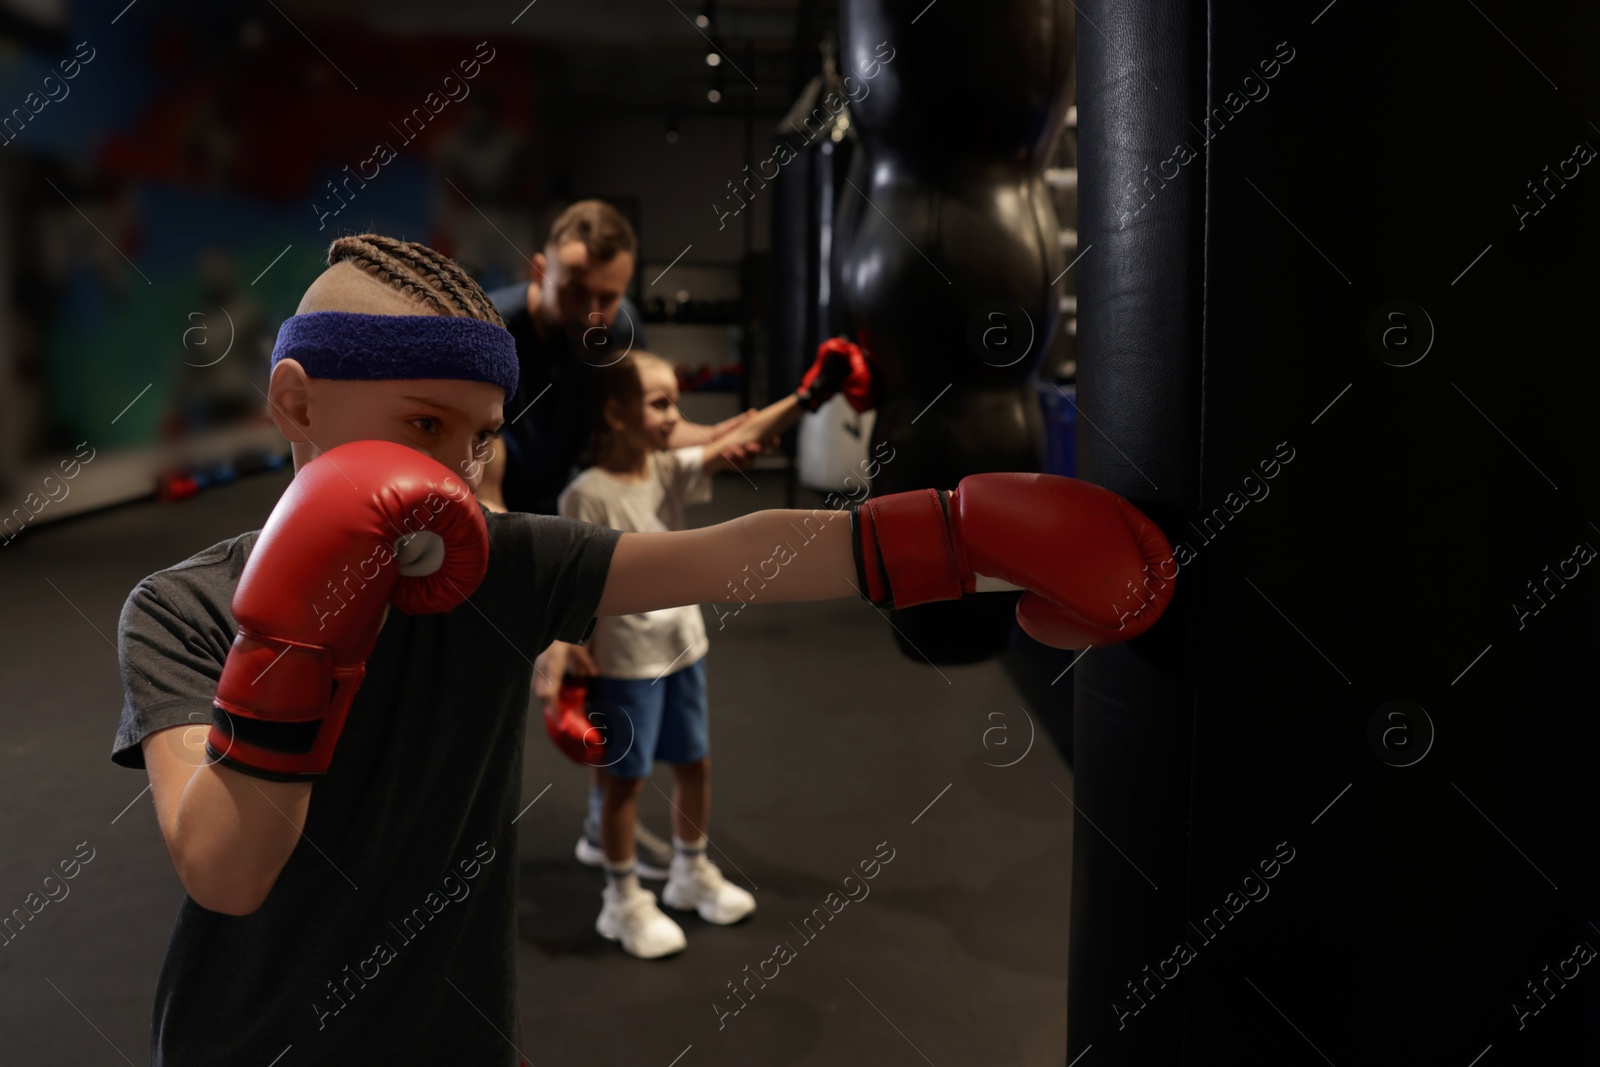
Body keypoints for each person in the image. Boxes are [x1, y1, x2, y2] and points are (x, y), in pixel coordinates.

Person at [112, 233, 1173, 1065]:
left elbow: (730, 553)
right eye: (425, 425)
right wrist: (301, 620)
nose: (460, 466)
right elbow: (229, 870)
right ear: (296, 399)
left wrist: (959, 534)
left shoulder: (498, 566)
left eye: (478, 436)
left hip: (451, 1040)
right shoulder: (181, 609)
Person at [477, 200, 762, 879]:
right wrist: (540, 616)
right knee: (494, 691)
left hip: (576, 503)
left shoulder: (616, 329)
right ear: (539, 269)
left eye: (610, 294)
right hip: (491, 509)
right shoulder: (488, 330)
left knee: (597, 676)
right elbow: (481, 474)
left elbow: (640, 431)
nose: (595, 310)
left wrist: (723, 440)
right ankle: (461, 856)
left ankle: (602, 832)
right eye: (577, 289)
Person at [558, 350, 829, 958]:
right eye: (660, 403)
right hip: (625, 665)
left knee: (695, 765)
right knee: (624, 785)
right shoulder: (585, 495)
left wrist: (808, 397)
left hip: (684, 648)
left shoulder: (664, 470)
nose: (675, 416)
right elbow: (573, 586)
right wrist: (571, 654)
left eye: (675, 401)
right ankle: (622, 900)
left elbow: (747, 434)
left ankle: (689, 871)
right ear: (616, 413)